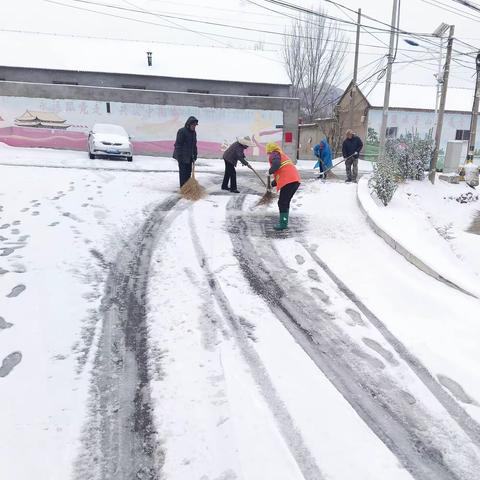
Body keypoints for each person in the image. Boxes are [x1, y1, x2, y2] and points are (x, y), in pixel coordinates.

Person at [266, 142, 301, 231]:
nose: (268, 155)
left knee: (282, 203)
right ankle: (284, 222)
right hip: (295, 180)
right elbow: (282, 172)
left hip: (289, 181)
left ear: (270, 150)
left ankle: (283, 224)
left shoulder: (275, 154)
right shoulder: (281, 155)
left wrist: (270, 171)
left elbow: (276, 165)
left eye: (268, 153)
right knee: (285, 202)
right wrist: (272, 184)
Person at [173, 116, 198, 188]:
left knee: (188, 173)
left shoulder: (194, 133)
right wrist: (179, 157)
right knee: (183, 174)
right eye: (193, 125)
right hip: (182, 156)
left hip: (189, 156)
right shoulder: (182, 131)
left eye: (195, 125)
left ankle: (187, 188)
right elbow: (178, 145)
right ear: (188, 124)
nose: (194, 127)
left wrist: (195, 154)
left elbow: (194, 145)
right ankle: (183, 189)